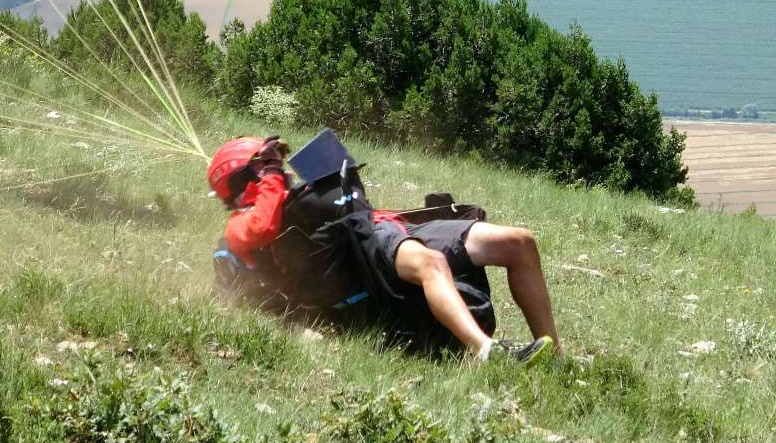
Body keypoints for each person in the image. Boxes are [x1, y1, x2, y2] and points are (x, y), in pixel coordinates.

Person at [207, 135, 560, 364]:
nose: (277, 171)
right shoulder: (239, 226)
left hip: (386, 226)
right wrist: (271, 175)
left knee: (519, 243)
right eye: (264, 165)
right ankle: (486, 352)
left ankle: (555, 359)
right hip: (364, 246)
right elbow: (263, 224)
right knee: (430, 263)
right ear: (243, 181)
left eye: (275, 165)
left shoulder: (294, 197)